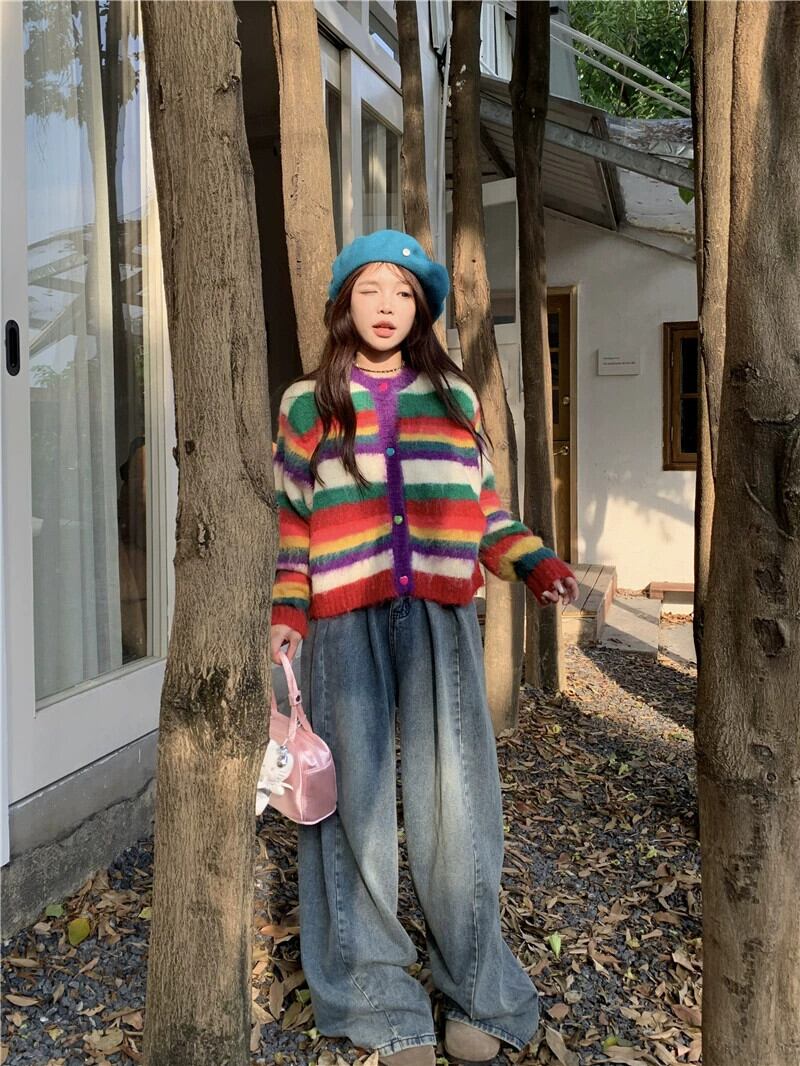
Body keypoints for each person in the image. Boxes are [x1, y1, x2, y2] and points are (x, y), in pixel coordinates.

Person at [269, 230, 579, 1066]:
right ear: (345, 302)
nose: (386, 307)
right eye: (370, 289)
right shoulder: (307, 404)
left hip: (441, 616)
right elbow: (294, 522)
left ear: (422, 309)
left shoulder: (454, 397)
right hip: (343, 619)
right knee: (356, 809)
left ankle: (480, 989)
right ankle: (375, 998)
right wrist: (289, 608)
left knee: (459, 803)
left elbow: (483, 510)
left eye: (403, 293)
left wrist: (535, 562)